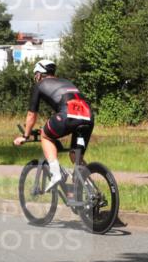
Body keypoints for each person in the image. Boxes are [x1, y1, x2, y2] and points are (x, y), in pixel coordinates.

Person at [13, 60, 94, 191]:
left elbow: (31, 116)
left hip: (68, 115)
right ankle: (91, 191)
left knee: (46, 136)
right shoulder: (66, 82)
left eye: (36, 74)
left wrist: (25, 135)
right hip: (88, 116)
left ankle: (56, 173)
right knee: (75, 156)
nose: (36, 77)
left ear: (39, 74)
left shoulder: (40, 85)